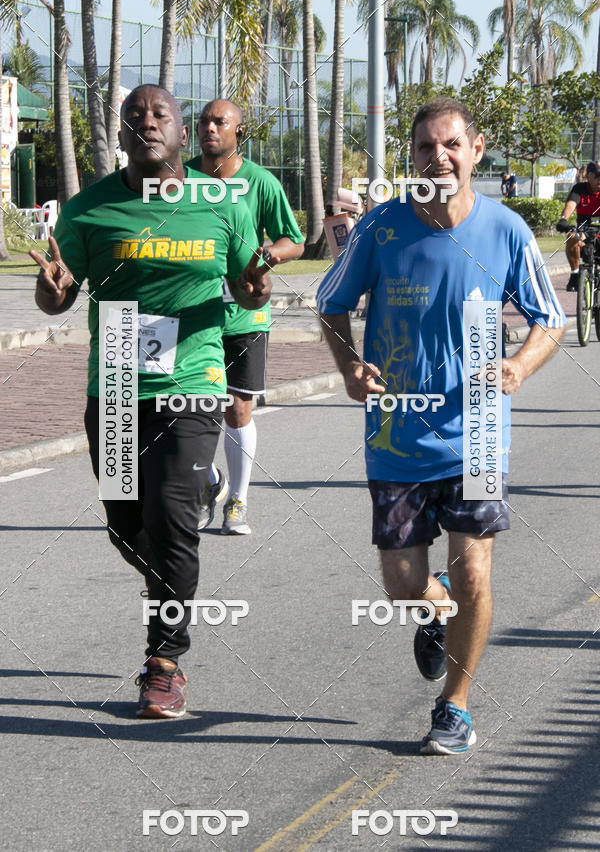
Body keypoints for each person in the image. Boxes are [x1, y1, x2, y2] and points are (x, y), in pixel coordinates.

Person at [317, 97, 565, 755]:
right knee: (402, 583)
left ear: (475, 151)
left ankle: (453, 706)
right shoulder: (381, 231)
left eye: (451, 144)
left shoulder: (507, 230)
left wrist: (517, 366)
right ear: (414, 157)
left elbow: (550, 320)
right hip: (396, 433)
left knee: (476, 571)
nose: (439, 157)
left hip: (480, 431)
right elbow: (330, 305)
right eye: (426, 147)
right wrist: (348, 367)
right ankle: (439, 608)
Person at [29, 85, 271, 719]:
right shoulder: (87, 212)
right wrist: (50, 291)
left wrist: (251, 289)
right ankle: (174, 548)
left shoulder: (220, 204)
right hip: (113, 378)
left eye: (159, 115)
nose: (146, 125)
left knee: (170, 521)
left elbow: (248, 291)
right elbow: (59, 296)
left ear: (182, 135)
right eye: (134, 118)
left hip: (193, 377)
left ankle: (163, 663)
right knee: (126, 527)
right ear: (122, 136)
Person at [186, 99, 304, 536]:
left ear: (239, 131)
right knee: (186, 411)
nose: (209, 129)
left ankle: (238, 500)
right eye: (203, 122)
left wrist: (269, 255)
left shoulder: (261, 183)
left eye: (220, 122)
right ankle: (209, 480)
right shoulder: (180, 179)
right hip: (191, 313)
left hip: (244, 315)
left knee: (237, 409)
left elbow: (295, 241)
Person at [556, 161, 600, 291]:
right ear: (588, 177)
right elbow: (570, 205)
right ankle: (575, 274)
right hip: (585, 232)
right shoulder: (579, 189)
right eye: (597, 176)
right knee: (571, 237)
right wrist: (563, 219)